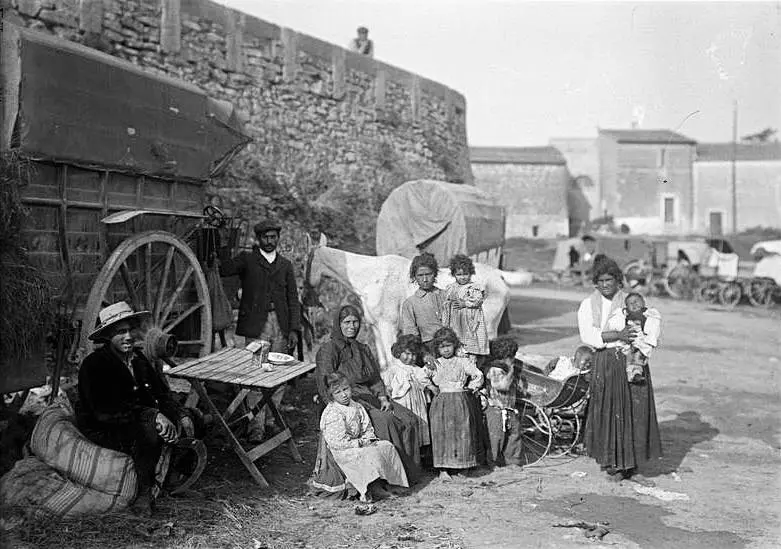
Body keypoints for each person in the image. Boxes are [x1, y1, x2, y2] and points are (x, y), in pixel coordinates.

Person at [77, 302, 197, 516]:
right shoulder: (94, 365)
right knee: (148, 431)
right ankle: (144, 492)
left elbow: (160, 393)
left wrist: (179, 414)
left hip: (136, 417)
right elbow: (105, 412)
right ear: (107, 337)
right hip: (105, 427)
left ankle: (171, 473)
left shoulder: (139, 359)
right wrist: (152, 415)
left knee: (193, 418)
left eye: (131, 330)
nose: (129, 336)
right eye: (120, 332)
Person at [577, 255, 662, 485]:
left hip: (632, 360)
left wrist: (640, 339)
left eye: (610, 280)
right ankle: (614, 465)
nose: (606, 285)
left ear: (618, 281)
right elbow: (588, 336)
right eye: (601, 281)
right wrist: (618, 335)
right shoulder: (588, 305)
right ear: (596, 283)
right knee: (611, 411)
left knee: (634, 412)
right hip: (606, 361)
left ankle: (632, 467)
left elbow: (649, 324)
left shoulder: (631, 302)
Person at [316, 305, 421, 481]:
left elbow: (375, 378)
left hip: (370, 395)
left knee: (408, 419)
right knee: (386, 421)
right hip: (348, 399)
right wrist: (345, 404)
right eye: (347, 322)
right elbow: (326, 382)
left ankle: (409, 473)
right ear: (338, 324)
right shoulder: (329, 350)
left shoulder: (362, 348)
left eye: (356, 322)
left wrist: (382, 396)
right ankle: (389, 476)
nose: (352, 326)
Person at [219, 221, 301, 444]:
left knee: (279, 374)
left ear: (277, 239)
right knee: (257, 374)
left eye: (273, 237)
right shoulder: (248, 260)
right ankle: (256, 426)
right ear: (258, 239)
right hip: (257, 325)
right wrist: (225, 242)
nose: (269, 241)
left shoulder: (285, 265)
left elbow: (293, 299)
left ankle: (271, 421)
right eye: (265, 237)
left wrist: (294, 329)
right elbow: (225, 269)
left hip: (280, 325)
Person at [320, 373, 408, 502]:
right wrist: (359, 443)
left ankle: (392, 482)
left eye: (346, 389)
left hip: (360, 441)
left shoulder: (356, 406)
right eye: (338, 392)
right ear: (331, 395)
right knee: (368, 453)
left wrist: (368, 439)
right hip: (343, 449)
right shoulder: (333, 412)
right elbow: (337, 442)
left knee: (386, 446)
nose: (344, 395)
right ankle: (372, 488)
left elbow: (367, 427)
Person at [428, 327, 484, 480]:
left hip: (460, 401)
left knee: (462, 432)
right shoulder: (435, 363)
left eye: (448, 345)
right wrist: (431, 387)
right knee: (442, 433)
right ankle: (443, 469)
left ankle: (462, 467)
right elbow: (422, 375)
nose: (445, 350)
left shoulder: (462, 362)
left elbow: (478, 374)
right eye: (441, 347)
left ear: (454, 345)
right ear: (437, 348)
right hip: (441, 403)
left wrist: (472, 387)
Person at [381, 334, 437, 448]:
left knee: (419, 419)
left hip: (417, 402)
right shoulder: (393, 369)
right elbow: (386, 383)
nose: (410, 358)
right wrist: (387, 392)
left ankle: (421, 450)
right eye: (407, 354)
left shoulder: (416, 368)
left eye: (413, 354)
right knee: (406, 423)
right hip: (403, 402)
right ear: (399, 352)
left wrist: (430, 383)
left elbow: (423, 378)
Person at [442, 255, 489, 359]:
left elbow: (478, 300)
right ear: (454, 274)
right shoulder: (451, 288)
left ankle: (472, 361)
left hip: (470, 321)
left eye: (466, 274)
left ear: (471, 274)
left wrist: (465, 303)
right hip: (455, 321)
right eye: (459, 274)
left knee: (470, 343)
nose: (463, 277)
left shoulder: (474, 287)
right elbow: (446, 302)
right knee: (456, 341)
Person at [482, 360, 524, 468]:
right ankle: (493, 462)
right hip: (496, 411)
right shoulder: (494, 370)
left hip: (510, 409)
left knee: (514, 436)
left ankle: (513, 461)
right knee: (496, 438)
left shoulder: (510, 373)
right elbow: (502, 385)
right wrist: (511, 371)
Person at [400, 253, 445, 354]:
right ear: (414, 277)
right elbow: (411, 334)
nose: (425, 279)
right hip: (428, 350)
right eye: (420, 275)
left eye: (428, 274)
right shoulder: (410, 304)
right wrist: (425, 355)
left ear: (435, 274)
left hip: (451, 347)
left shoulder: (446, 296)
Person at [617, 292, 661, 384]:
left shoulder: (649, 314)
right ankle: (630, 374)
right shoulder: (625, 315)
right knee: (628, 357)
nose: (634, 305)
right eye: (630, 304)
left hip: (642, 342)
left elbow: (653, 327)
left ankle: (636, 373)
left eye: (636, 302)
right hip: (630, 341)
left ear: (643, 303)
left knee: (638, 357)